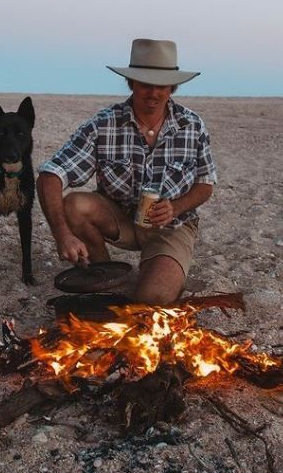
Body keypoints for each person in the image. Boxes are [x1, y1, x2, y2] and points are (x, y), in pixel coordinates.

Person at [37, 39, 217, 305]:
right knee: (74, 204)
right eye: (145, 84)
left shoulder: (192, 125)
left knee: (152, 299)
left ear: (173, 87)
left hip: (171, 226)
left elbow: (206, 184)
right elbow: (50, 175)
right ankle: (104, 274)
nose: (153, 94)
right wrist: (62, 235)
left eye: (161, 86)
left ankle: (155, 272)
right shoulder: (103, 124)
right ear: (131, 83)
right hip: (120, 219)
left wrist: (176, 207)